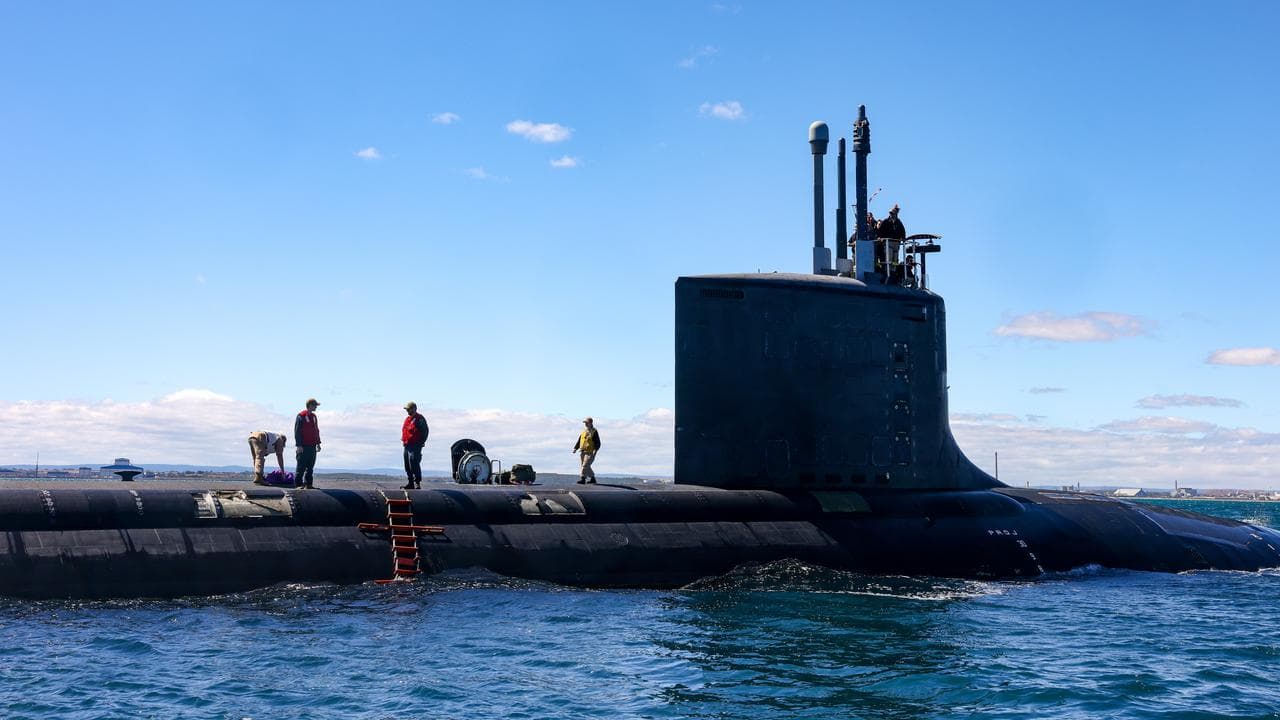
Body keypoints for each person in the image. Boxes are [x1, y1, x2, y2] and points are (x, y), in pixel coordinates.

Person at [401, 401, 429, 490]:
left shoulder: (420, 418)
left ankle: (417, 482)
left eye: (409, 409)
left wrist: (421, 443)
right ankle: (410, 483)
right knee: (407, 464)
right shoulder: (407, 419)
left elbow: (425, 431)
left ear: (413, 409)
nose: (407, 411)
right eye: (407, 410)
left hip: (415, 445)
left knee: (413, 462)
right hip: (407, 445)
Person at [294, 398, 321, 489]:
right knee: (301, 466)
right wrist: (299, 445)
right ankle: (298, 485)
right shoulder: (301, 416)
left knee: (310, 466)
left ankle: (308, 484)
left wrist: (318, 443)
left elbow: (316, 430)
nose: (316, 407)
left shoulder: (314, 417)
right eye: (315, 405)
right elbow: (297, 431)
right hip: (303, 446)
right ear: (310, 405)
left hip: (312, 446)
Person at [875, 204, 906, 281]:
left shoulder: (899, 222)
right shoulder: (886, 221)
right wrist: (880, 238)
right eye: (890, 213)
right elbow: (880, 231)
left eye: (892, 213)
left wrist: (903, 238)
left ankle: (893, 272)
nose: (891, 214)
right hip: (888, 242)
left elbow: (903, 231)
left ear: (896, 214)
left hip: (896, 243)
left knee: (895, 259)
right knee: (889, 257)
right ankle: (887, 272)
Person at [573, 417, 602, 484]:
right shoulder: (584, 432)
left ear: (590, 423)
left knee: (585, 466)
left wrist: (595, 451)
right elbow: (579, 440)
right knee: (585, 466)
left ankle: (583, 479)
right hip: (583, 451)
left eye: (586, 423)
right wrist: (575, 448)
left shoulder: (594, 431)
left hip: (590, 452)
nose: (585, 424)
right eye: (585, 423)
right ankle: (592, 479)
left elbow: (598, 443)